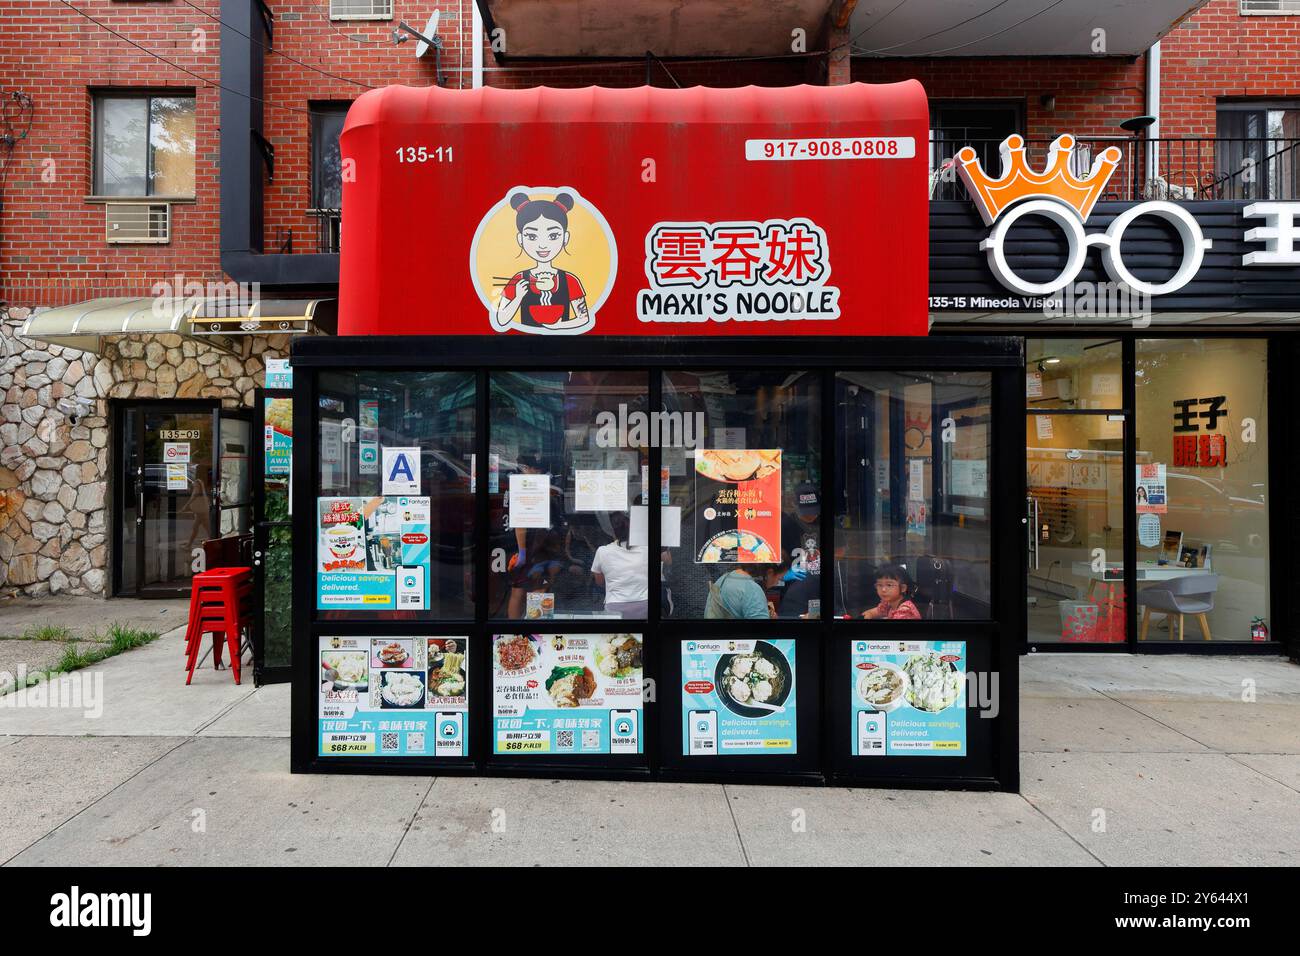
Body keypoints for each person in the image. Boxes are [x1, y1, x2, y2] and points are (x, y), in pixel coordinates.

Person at [492, 192, 594, 334]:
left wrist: (558, 326)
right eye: (532, 236)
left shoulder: (569, 280)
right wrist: (518, 296)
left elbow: (583, 318)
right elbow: (501, 319)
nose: (542, 245)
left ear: (565, 238)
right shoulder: (519, 279)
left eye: (553, 236)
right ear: (520, 239)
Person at [591, 511, 648, 618]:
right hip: (645, 606)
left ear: (612, 530)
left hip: (615, 608)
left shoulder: (602, 551)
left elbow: (599, 581)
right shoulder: (646, 549)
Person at [705, 567, 776, 619]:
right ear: (770, 572)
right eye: (778, 578)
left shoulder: (722, 579)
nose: (776, 583)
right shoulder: (752, 589)